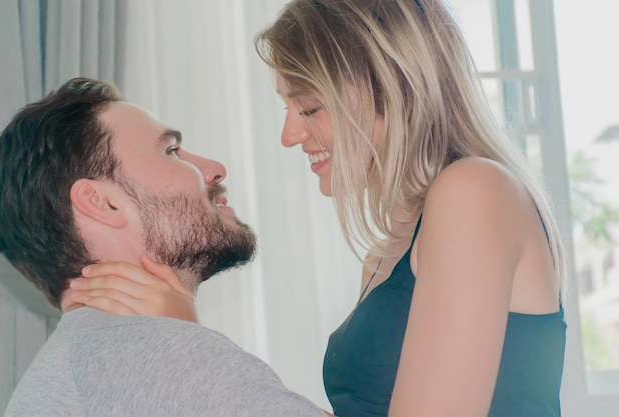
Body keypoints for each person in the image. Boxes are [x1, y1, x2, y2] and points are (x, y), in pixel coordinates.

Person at [70, 1, 567, 416]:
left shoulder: (474, 190)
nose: (290, 136)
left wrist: (196, 346)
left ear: (391, 87)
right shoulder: (388, 256)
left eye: (308, 108)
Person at [0, 77, 330, 417]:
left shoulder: (80, 362)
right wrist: (187, 347)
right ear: (101, 202)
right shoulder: (146, 353)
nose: (215, 169)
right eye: (171, 150)